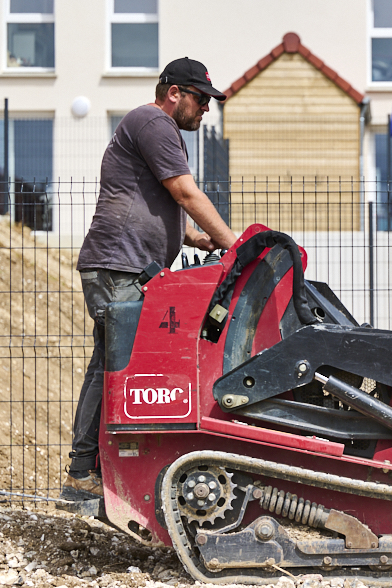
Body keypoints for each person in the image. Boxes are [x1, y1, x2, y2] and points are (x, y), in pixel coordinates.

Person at [62, 57, 238, 502]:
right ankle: (85, 471)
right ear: (174, 93)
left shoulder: (154, 130)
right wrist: (235, 245)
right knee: (115, 363)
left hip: (128, 266)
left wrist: (196, 238)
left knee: (117, 362)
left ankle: (95, 469)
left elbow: (155, 201)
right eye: (201, 100)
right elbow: (183, 191)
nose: (206, 110)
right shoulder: (154, 122)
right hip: (118, 266)